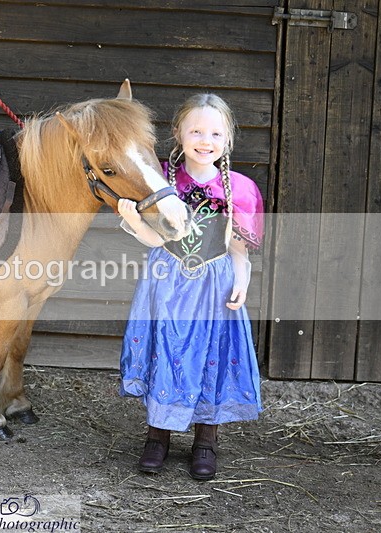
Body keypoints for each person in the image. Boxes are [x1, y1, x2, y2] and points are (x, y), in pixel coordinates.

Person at [116, 93, 264, 480]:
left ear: (228, 139)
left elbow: (238, 250)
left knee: (210, 355)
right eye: (196, 131)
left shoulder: (240, 188)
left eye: (215, 133)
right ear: (178, 133)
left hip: (213, 286)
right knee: (166, 352)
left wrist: (242, 282)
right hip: (167, 283)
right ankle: (157, 436)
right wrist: (135, 221)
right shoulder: (161, 178)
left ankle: (205, 440)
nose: (205, 140)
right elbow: (156, 239)